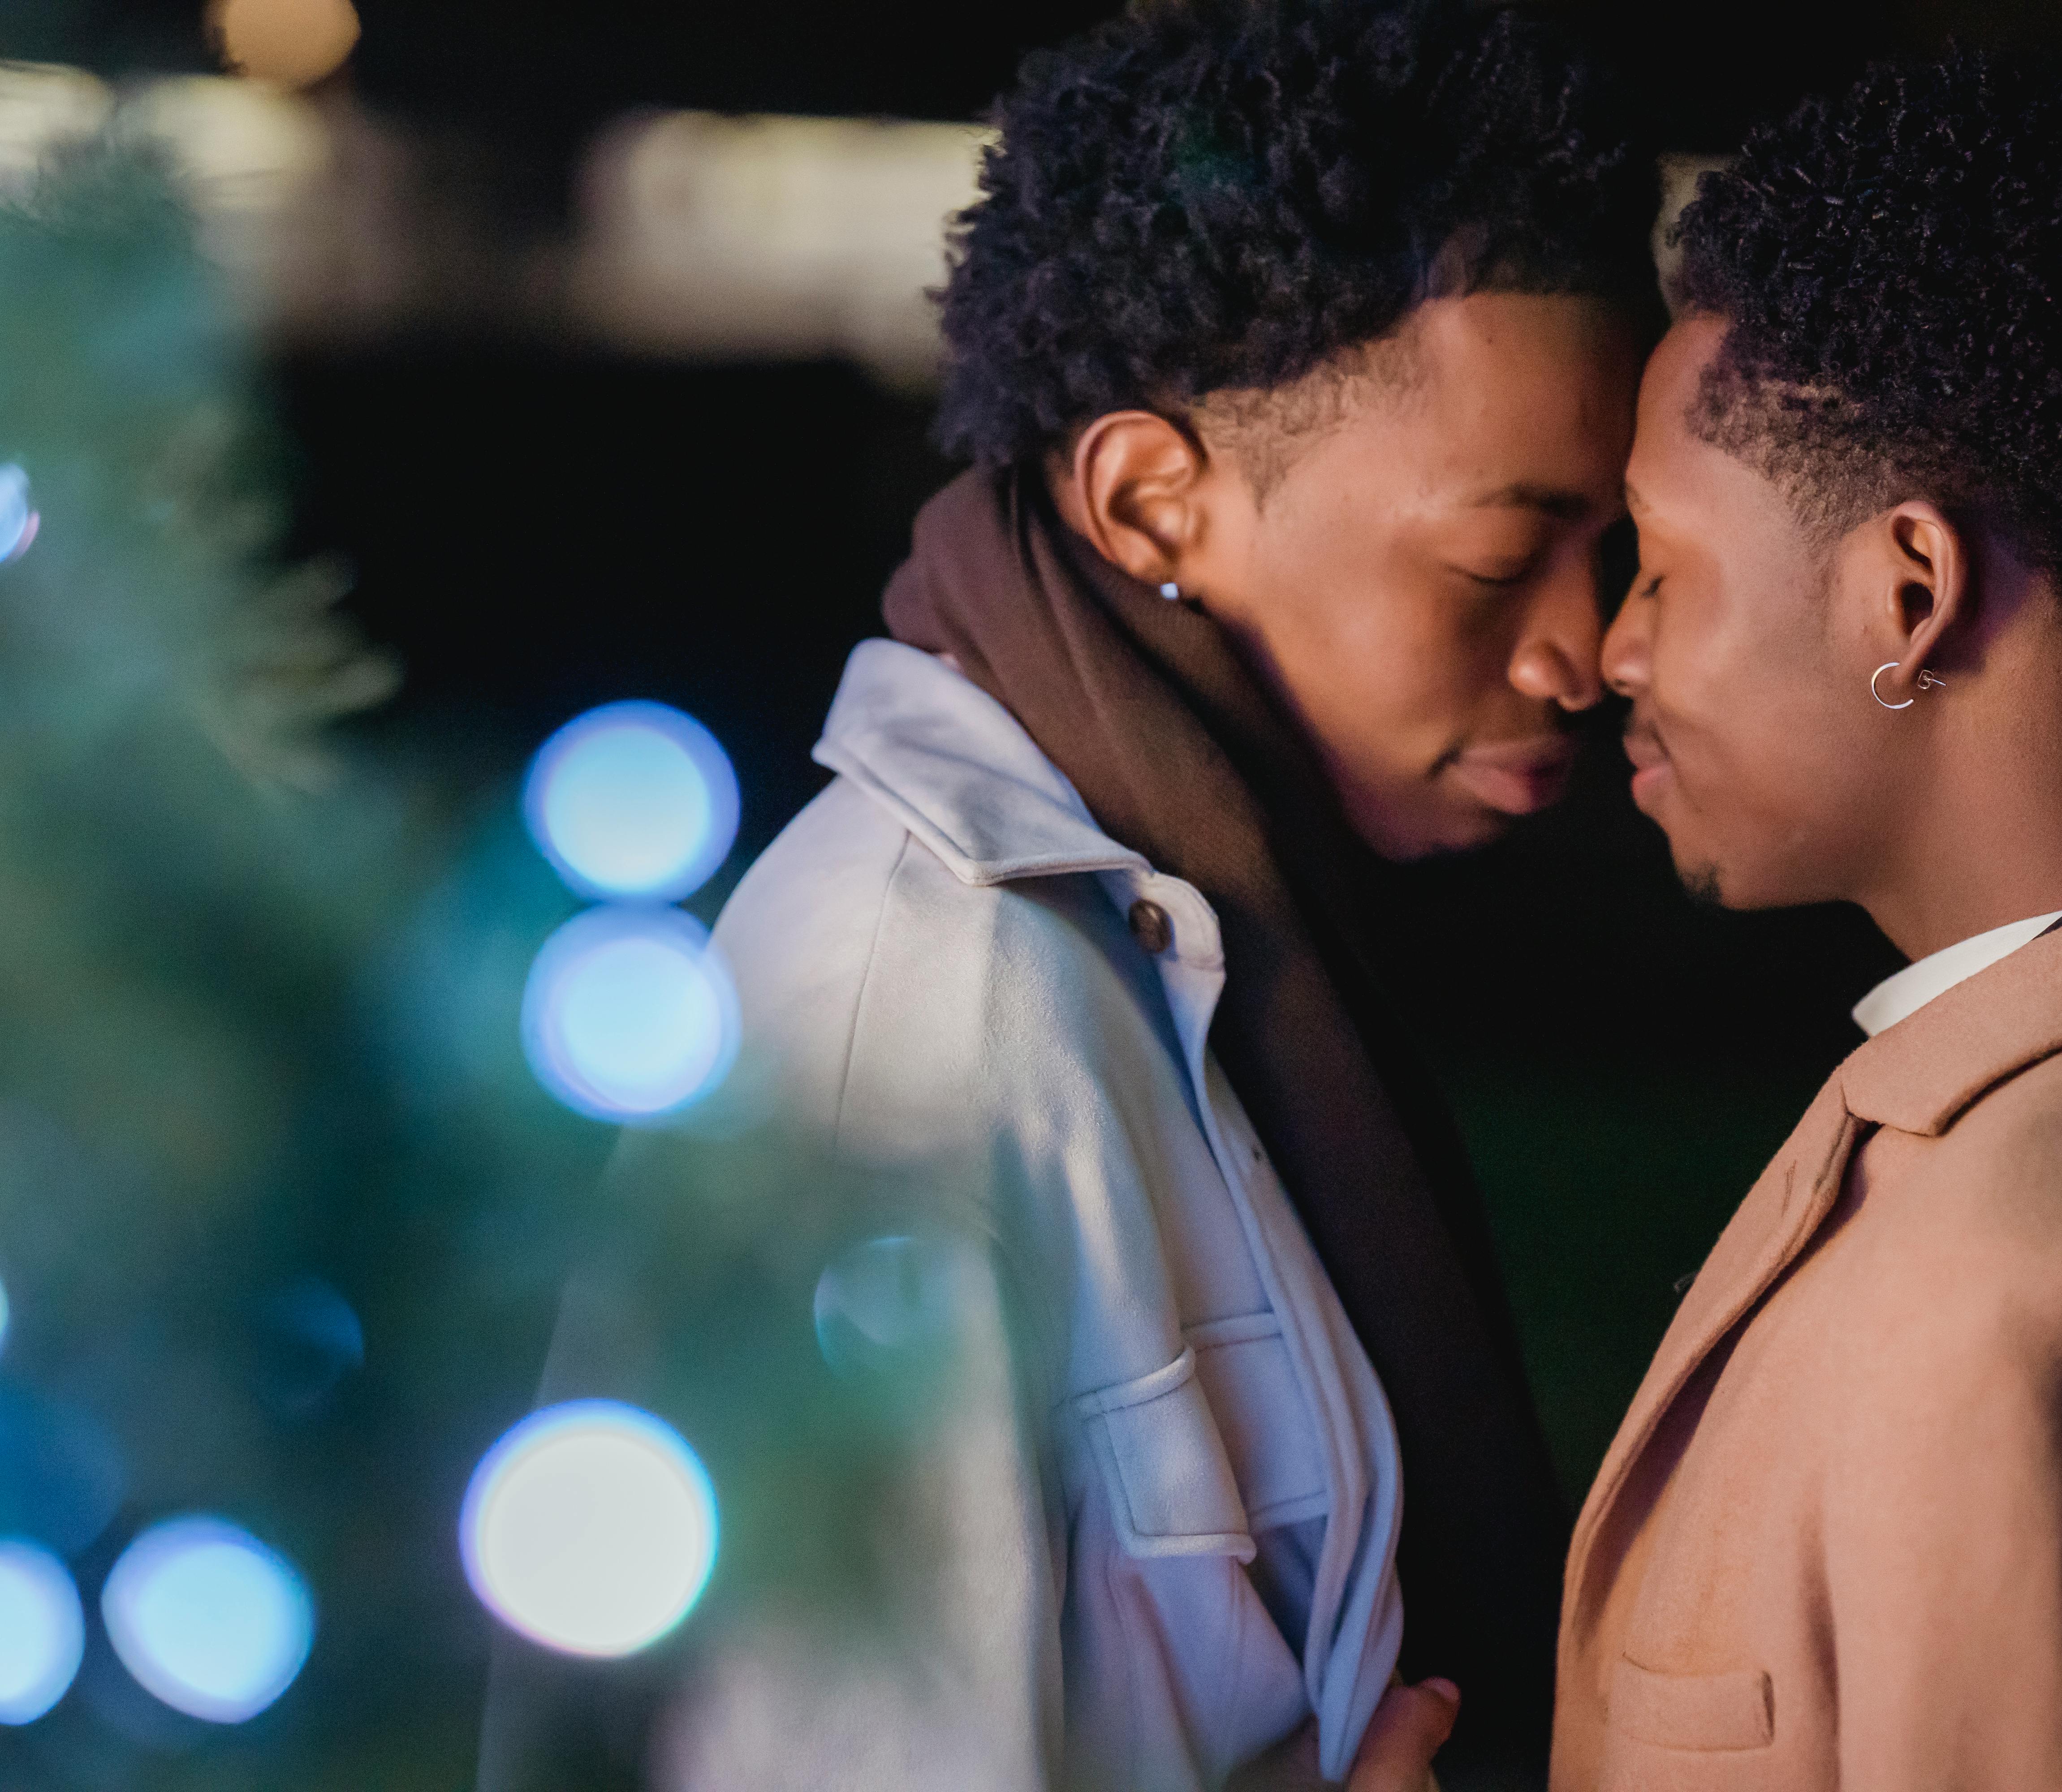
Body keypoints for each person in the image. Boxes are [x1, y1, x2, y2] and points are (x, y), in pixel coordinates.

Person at [478, 3, 1650, 1788]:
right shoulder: (919, 1034)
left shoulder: (1212, 935)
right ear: (1151, 502)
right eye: (1504, 558)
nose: (1594, 650)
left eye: (1616, 552)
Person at [1563, 51, 2062, 1789]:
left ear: (1908, 593)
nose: (1613, 650)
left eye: (1659, 562)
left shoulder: (2039, 1293)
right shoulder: (2020, 1138)